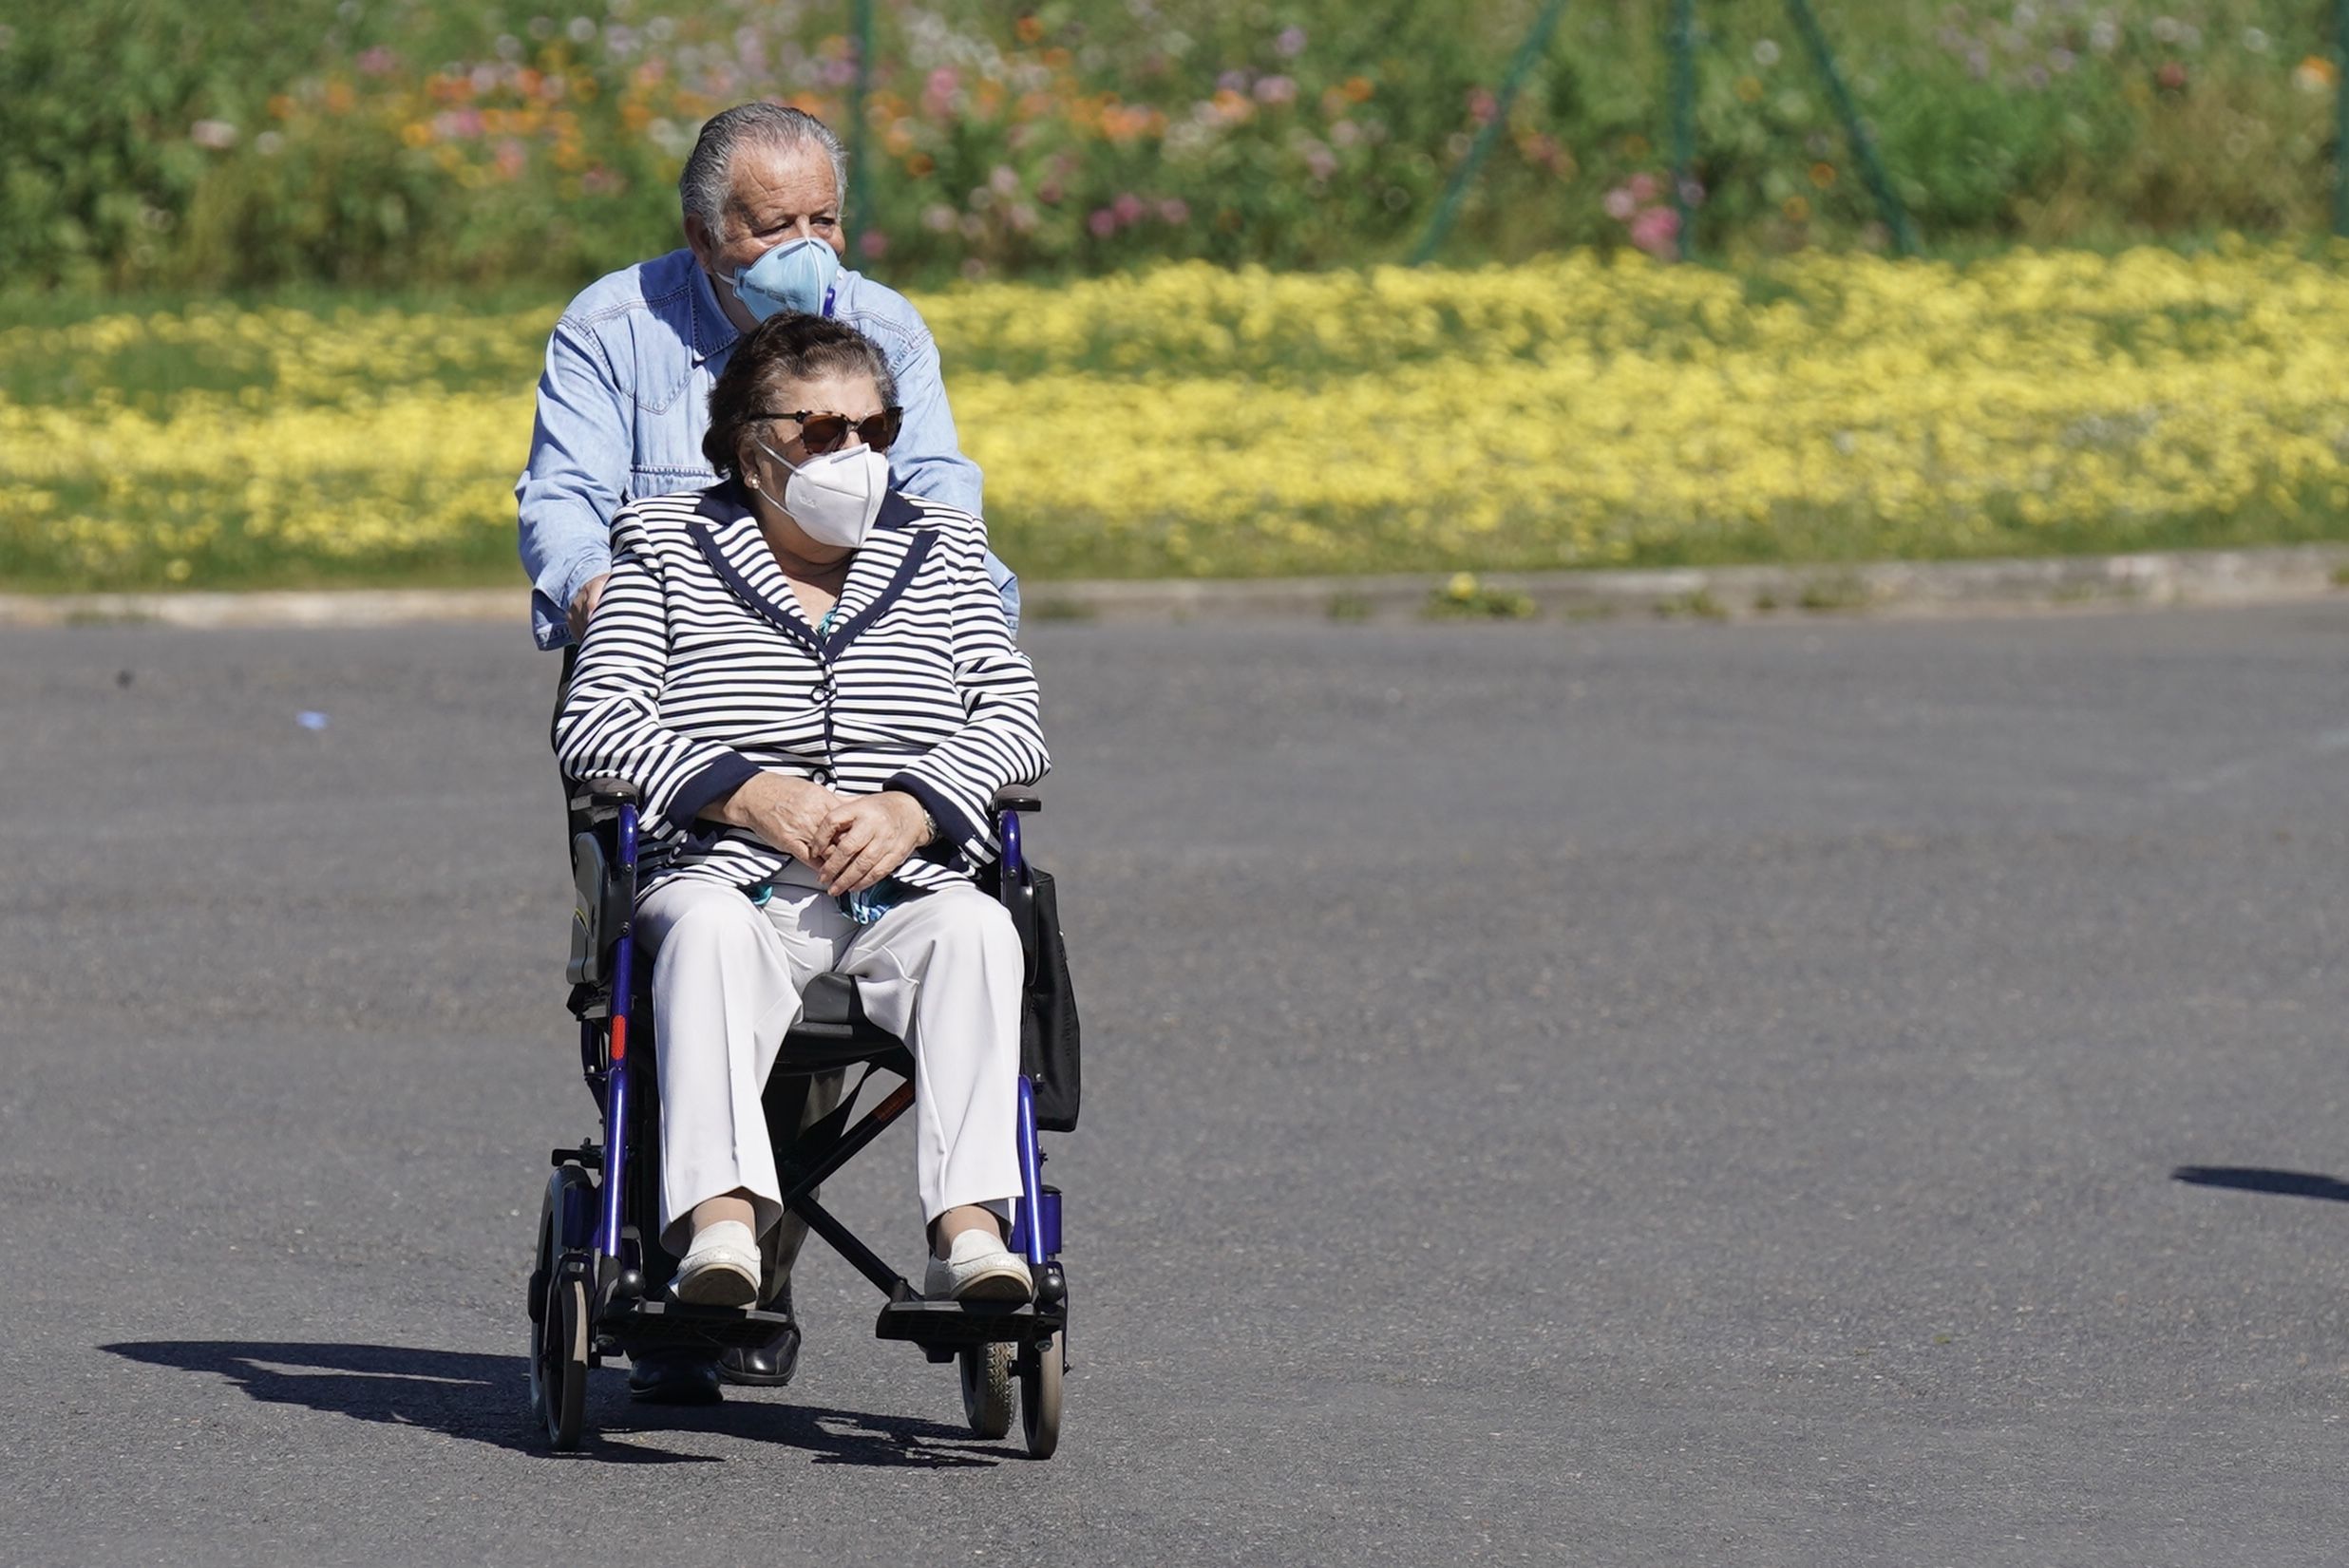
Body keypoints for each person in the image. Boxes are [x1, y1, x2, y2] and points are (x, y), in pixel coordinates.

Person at [519, 101, 1015, 1398]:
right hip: (698, 759)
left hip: (889, 819)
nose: (804, 244)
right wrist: (613, 594)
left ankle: (968, 1238)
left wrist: (928, 738)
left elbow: (948, 505)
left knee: (973, 932)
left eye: (822, 220)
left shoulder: (883, 339)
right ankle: (716, 1234)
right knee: (710, 942)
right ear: (704, 231)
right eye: (770, 223)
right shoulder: (616, 337)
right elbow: (567, 501)